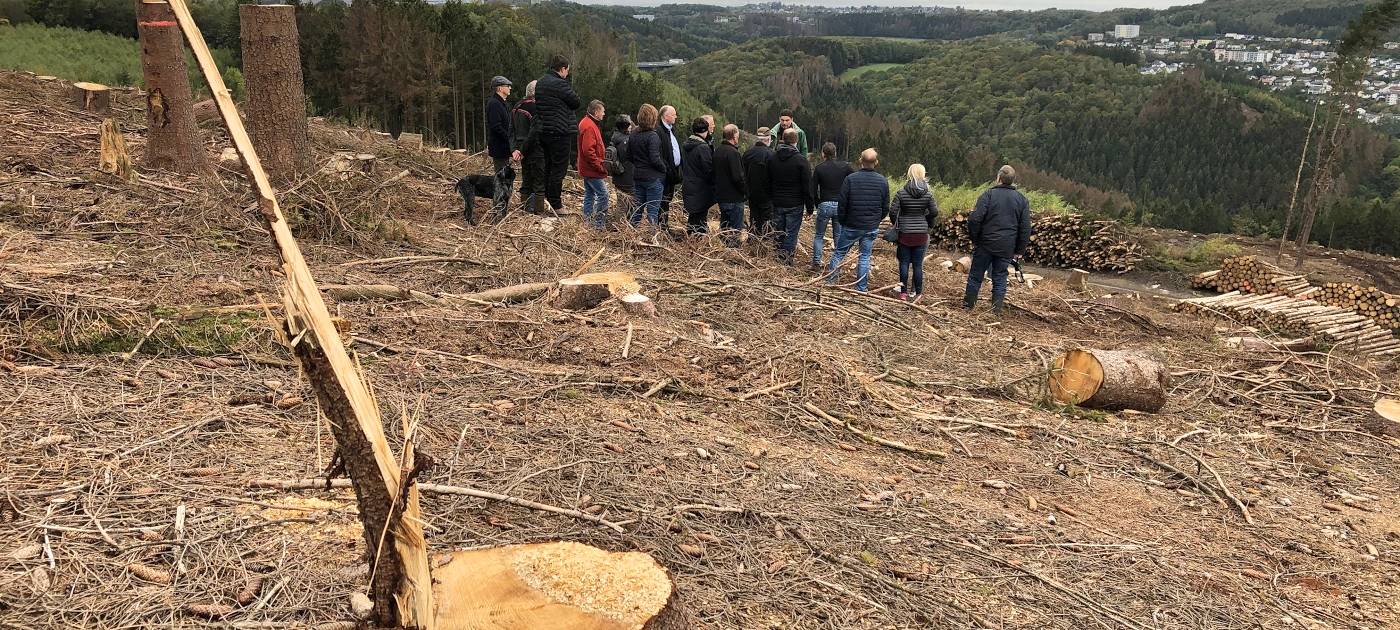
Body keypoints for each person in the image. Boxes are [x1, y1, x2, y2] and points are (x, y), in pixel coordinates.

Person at [963, 165, 1031, 314]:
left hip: (985, 244)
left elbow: (975, 219)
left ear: (999, 178)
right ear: (1013, 181)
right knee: (1000, 277)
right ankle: (996, 310)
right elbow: (1025, 228)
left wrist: (975, 238)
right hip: (1007, 246)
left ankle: (968, 306)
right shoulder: (1022, 200)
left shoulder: (988, 195)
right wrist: (1019, 250)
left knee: (976, 275)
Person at [826, 148, 889, 292]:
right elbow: (885, 206)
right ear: (876, 162)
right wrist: (876, 220)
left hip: (851, 225)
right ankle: (861, 288)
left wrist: (843, 220)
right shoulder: (883, 181)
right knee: (865, 256)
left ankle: (830, 282)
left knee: (839, 253)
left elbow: (842, 203)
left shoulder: (851, 179)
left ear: (860, 161)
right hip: (870, 226)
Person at [534, 54, 581, 213]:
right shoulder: (561, 84)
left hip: (544, 131)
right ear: (562, 69)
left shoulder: (540, 83)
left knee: (548, 166)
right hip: (560, 131)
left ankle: (547, 198)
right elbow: (576, 102)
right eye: (567, 70)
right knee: (559, 169)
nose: (567, 74)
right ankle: (556, 204)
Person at [890, 163, 939, 302]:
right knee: (918, 265)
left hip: (905, 233)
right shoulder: (928, 194)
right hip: (921, 233)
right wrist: (925, 219)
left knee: (904, 263)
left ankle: (903, 293)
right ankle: (918, 293)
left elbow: (893, 211)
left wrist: (897, 223)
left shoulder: (901, 192)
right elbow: (934, 212)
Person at [768, 127, 814, 263]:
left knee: (778, 232)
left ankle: (778, 258)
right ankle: (786, 261)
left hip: (777, 201)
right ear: (796, 141)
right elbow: (807, 186)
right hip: (795, 203)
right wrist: (810, 207)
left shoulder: (772, 158)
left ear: (782, 139)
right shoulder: (801, 161)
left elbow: (768, 180)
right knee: (791, 234)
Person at [810, 142, 853, 271]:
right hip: (840, 204)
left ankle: (816, 263)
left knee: (819, 235)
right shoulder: (845, 167)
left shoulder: (819, 168)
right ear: (835, 153)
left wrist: (817, 203)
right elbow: (854, 180)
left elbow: (812, 189)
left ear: (823, 154)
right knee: (838, 236)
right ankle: (836, 264)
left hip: (824, 203)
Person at [629, 104, 669, 228]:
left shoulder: (634, 134)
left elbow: (628, 156)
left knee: (637, 210)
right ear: (653, 118)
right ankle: (652, 237)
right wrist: (664, 169)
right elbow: (655, 159)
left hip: (638, 176)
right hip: (653, 178)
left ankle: (630, 234)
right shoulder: (653, 136)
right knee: (653, 212)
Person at [484, 75, 516, 219]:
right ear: (499, 88)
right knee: (501, 180)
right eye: (507, 85)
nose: (509, 88)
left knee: (504, 179)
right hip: (499, 147)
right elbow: (496, 127)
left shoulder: (502, 103)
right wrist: (509, 139)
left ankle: (501, 209)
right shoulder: (494, 104)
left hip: (504, 147)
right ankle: (498, 212)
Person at [512, 80, 545, 214]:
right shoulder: (536, 107)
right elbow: (534, 132)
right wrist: (522, 149)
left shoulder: (516, 106)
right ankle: (538, 212)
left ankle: (525, 210)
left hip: (521, 149)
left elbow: (511, 129)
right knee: (539, 182)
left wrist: (515, 148)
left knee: (526, 180)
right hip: (535, 149)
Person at [712, 124, 746, 246]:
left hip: (722, 196)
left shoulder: (717, 151)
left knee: (725, 227)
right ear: (734, 136)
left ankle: (724, 251)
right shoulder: (733, 153)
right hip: (734, 197)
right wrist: (745, 191)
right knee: (735, 230)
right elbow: (738, 177)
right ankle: (734, 254)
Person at [680, 117, 715, 236]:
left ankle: (691, 240)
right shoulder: (703, 147)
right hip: (701, 188)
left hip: (689, 184)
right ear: (705, 130)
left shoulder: (687, 145)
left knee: (693, 216)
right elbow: (708, 169)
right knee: (700, 217)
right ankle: (697, 242)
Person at [742, 127, 775, 251]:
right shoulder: (771, 155)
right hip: (767, 194)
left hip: (751, 193)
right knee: (766, 220)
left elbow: (742, 174)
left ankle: (752, 240)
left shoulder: (748, 153)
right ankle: (764, 245)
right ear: (769, 139)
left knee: (754, 217)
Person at [577, 99, 608, 228]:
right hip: (591, 169)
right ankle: (598, 224)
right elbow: (588, 151)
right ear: (596, 112)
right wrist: (599, 166)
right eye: (602, 111)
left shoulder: (587, 122)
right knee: (603, 195)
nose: (604, 114)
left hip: (587, 168)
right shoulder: (589, 126)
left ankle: (587, 220)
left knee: (590, 194)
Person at [658, 105, 683, 228]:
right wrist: (668, 170)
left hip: (673, 171)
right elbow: (661, 155)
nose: (676, 117)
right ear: (666, 116)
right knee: (663, 201)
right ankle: (661, 227)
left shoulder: (670, 130)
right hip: (666, 173)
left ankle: (664, 226)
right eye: (673, 114)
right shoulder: (660, 131)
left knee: (667, 200)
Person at [608, 115, 635, 223]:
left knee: (620, 203)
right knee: (631, 204)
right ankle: (629, 226)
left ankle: (616, 225)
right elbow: (629, 157)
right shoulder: (626, 141)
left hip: (617, 176)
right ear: (627, 126)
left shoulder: (615, 137)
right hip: (627, 177)